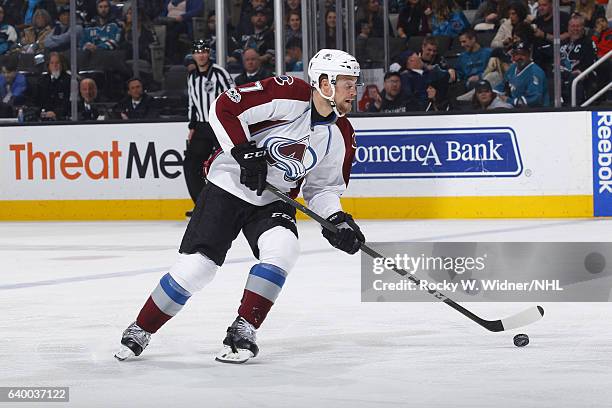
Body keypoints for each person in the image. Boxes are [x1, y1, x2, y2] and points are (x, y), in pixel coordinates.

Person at [115, 49, 365, 364]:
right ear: (325, 83)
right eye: (348, 83)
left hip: (273, 198)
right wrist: (243, 152)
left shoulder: (341, 134)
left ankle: (244, 328)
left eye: (356, 84)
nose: (355, 91)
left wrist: (337, 220)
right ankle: (142, 327)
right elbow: (224, 109)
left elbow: (323, 187)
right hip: (229, 184)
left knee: (284, 247)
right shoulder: (289, 93)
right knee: (199, 268)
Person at [183, 39, 234, 213]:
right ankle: (200, 205)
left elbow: (233, 95)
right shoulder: (192, 76)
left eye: (204, 51)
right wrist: (192, 126)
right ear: (194, 55)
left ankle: (234, 203)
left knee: (228, 164)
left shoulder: (219, 73)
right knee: (191, 165)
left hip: (219, 125)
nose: (201, 55)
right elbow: (192, 102)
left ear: (208, 53)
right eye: (198, 52)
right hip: (202, 127)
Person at [494, 41, 549, 107]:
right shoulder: (513, 67)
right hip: (516, 108)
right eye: (516, 54)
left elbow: (534, 100)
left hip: (535, 112)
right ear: (513, 56)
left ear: (529, 55)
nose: (519, 57)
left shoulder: (535, 73)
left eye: (523, 54)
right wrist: (493, 94)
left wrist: (509, 100)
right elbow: (502, 85)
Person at [560, 14, 598, 104]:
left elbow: (592, 62)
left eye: (578, 26)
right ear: (568, 28)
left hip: (579, 75)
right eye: (573, 26)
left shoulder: (588, 42)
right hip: (562, 74)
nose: (575, 29)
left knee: (574, 78)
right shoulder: (562, 43)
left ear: (583, 28)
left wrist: (581, 71)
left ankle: (574, 108)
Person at [532, 0, 570, 76]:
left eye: (544, 5)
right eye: (539, 5)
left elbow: (570, 34)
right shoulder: (536, 21)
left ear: (552, 4)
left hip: (555, 57)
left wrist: (544, 35)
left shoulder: (563, 17)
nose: (541, 8)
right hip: (538, 59)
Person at [34, 52, 71, 120]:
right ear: (48, 65)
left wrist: (56, 113)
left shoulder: (69, 80)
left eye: (57, 63)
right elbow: (37, 101)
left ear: (62, 64)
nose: (54, 65)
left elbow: (69, 102)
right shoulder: (42, 80)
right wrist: (42, 112)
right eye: (52, 63)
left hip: (63, 118)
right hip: (44, 116)